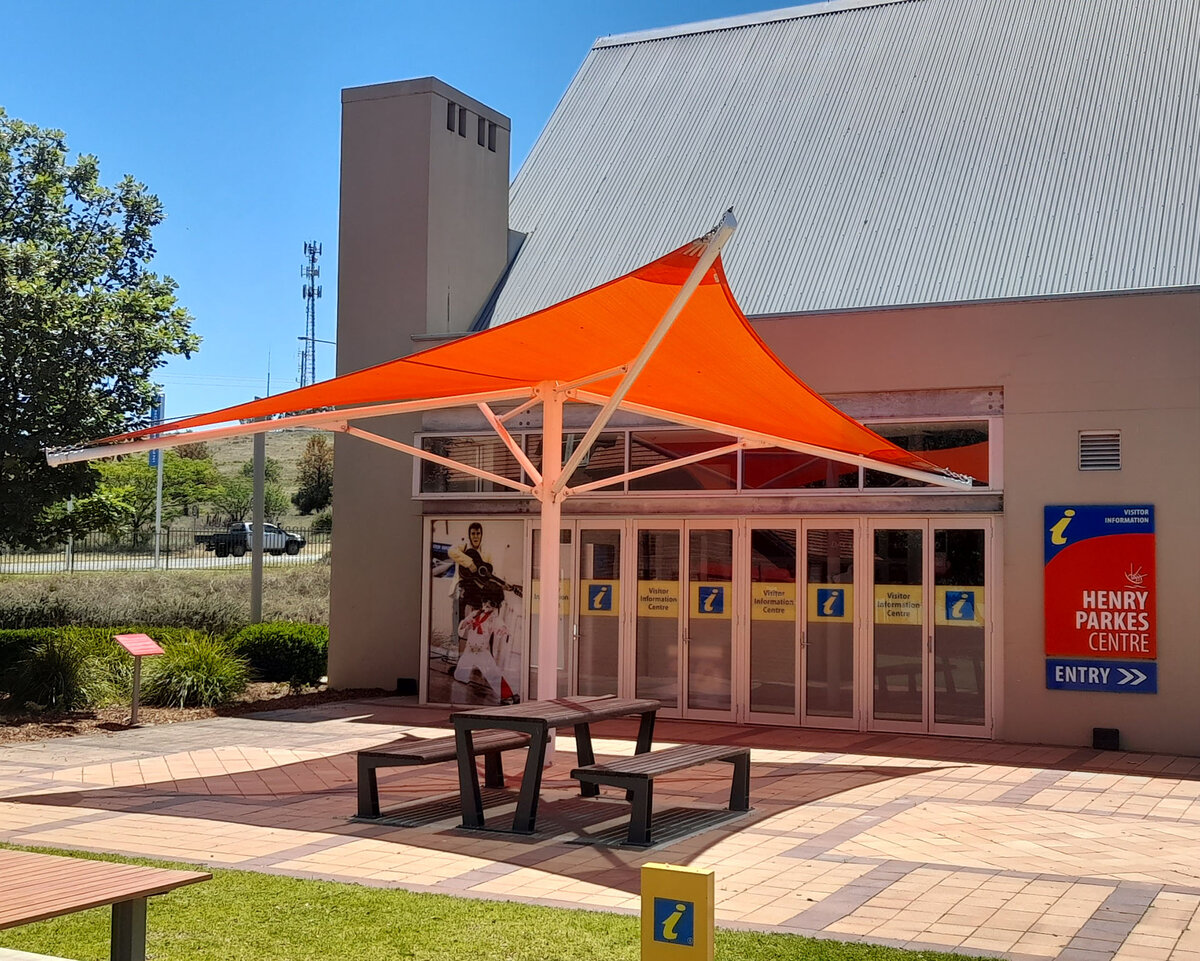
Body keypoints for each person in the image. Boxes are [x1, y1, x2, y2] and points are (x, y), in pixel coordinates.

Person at [453, 580, 519, 704]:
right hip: (469, 650)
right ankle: (460, 683)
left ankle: (508, 695)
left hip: (482, 652)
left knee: (493, 673)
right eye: (485, 601)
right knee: (460, 674)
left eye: (491, 603)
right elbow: (463, 625)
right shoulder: (475, 614)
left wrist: (503, 630)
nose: (487, 605)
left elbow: (499, 624)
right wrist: (467, 623)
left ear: (496, 605)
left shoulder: (493, 618)